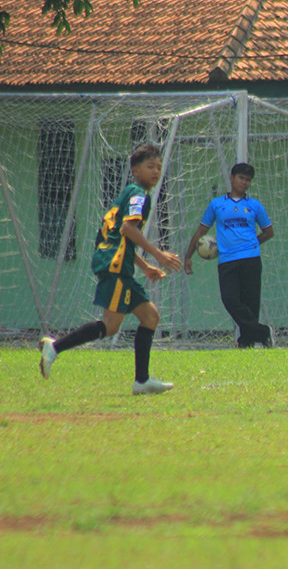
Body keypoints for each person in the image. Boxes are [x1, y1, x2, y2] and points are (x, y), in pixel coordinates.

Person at [38, 144, 183, 394]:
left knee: (150, 317)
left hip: (117, 264)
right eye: (150, 167)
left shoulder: (128, 193)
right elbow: (128, 230)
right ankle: (56, 347)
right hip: (115, 266)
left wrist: (146, 266)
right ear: (135, 170)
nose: (156, 171)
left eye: (159, 167)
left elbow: (121, 238)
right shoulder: (139, 195)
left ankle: (142, 381)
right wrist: (158, 255)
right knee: (110, 326)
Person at [183, 163, 275, 348]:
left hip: (251, 259)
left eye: (248, 180)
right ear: (232, 178)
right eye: (241, 178)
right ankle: (263, 332)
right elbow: (201, 230)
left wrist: (252, 244)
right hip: (227, 260)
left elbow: (268, 232)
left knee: (250, 303)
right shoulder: (217, 204)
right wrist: (188, 257)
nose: (244, 182)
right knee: (230, 300)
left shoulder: (254, 205)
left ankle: (246, 343)